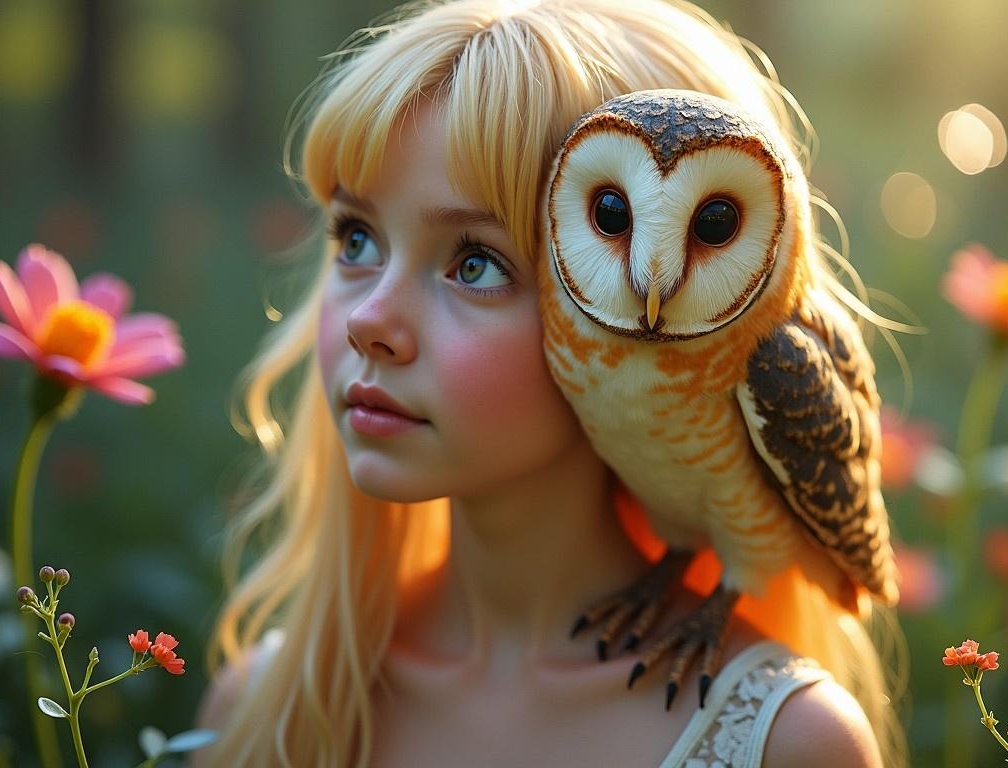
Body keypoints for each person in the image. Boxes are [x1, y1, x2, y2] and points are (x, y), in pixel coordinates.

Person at [190, 0, 908, 765]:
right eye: (355, 237)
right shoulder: (269, 708)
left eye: (476, 263)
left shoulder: (783, 744)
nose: (370, 320)